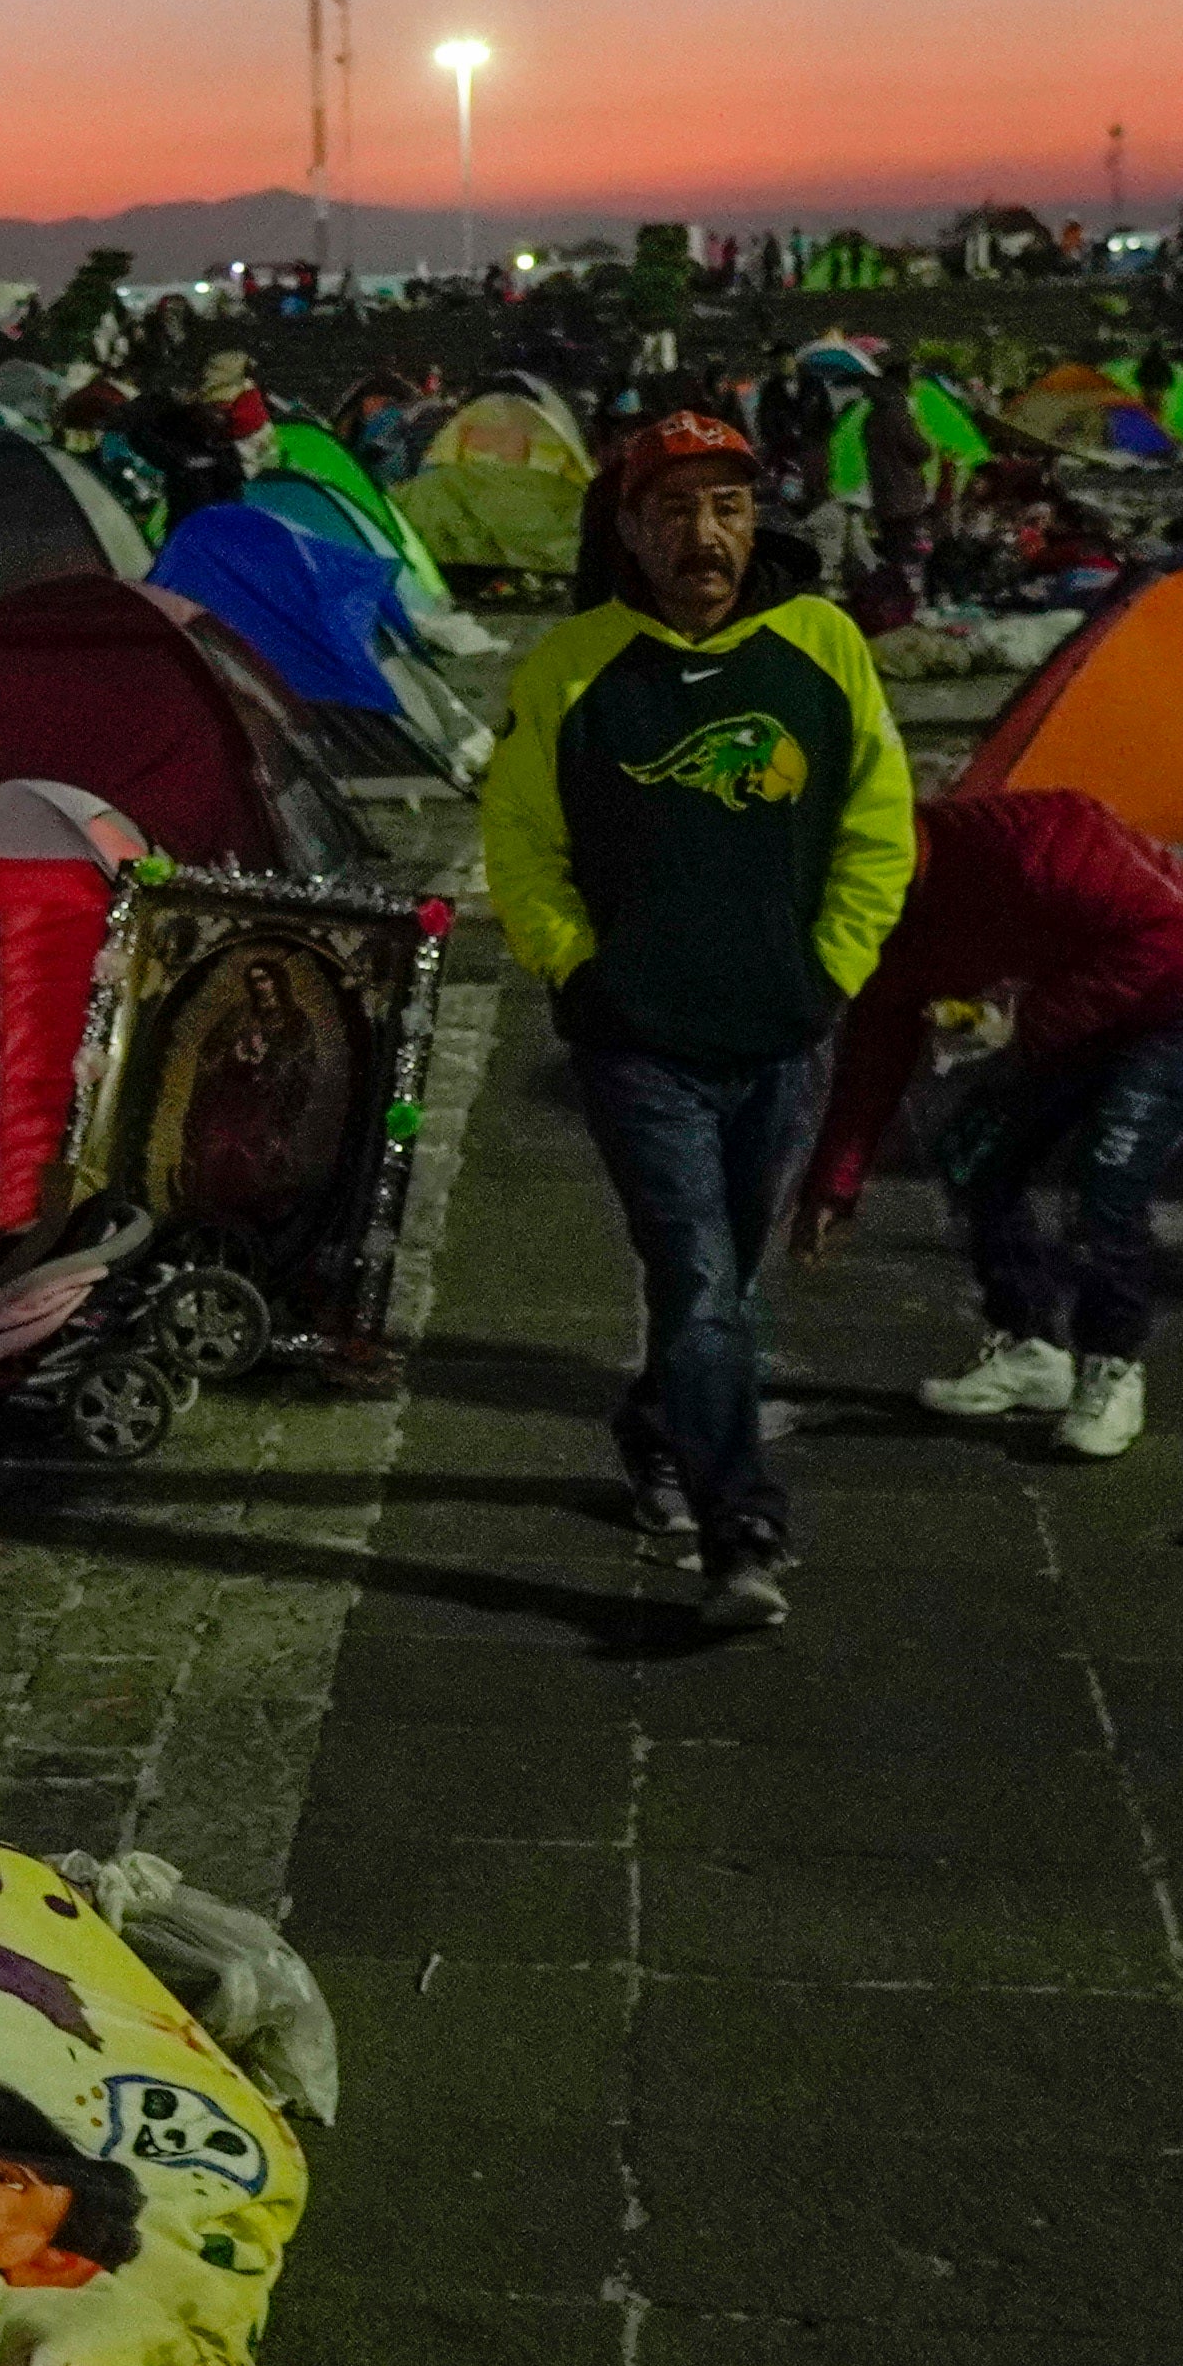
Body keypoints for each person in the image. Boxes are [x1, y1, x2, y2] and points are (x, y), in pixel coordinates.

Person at [483, 409, 915, 1619]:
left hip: (782, 1034)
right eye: (675, 511)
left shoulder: (823, 646)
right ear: (631, 530)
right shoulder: (570, 671)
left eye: (726, 507)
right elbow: (518, 844)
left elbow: (881, 825)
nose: (705, 535)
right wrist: (578, 968)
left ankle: (654, 1423)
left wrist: (828, 970)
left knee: (716, 1282)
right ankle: (744, 1532)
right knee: (698, 1276)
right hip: (641, 1046)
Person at [793, 787, 1183, 1463]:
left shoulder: (1038, 837)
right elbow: (874, 1048)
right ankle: (1032, 1345)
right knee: (973, 1152)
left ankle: (1113, 1363)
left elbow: (1169, 931)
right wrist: (834, 1187)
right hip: (1078, 1010)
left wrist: (1028, 1028)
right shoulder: (884, 918)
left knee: (1107, 1172)